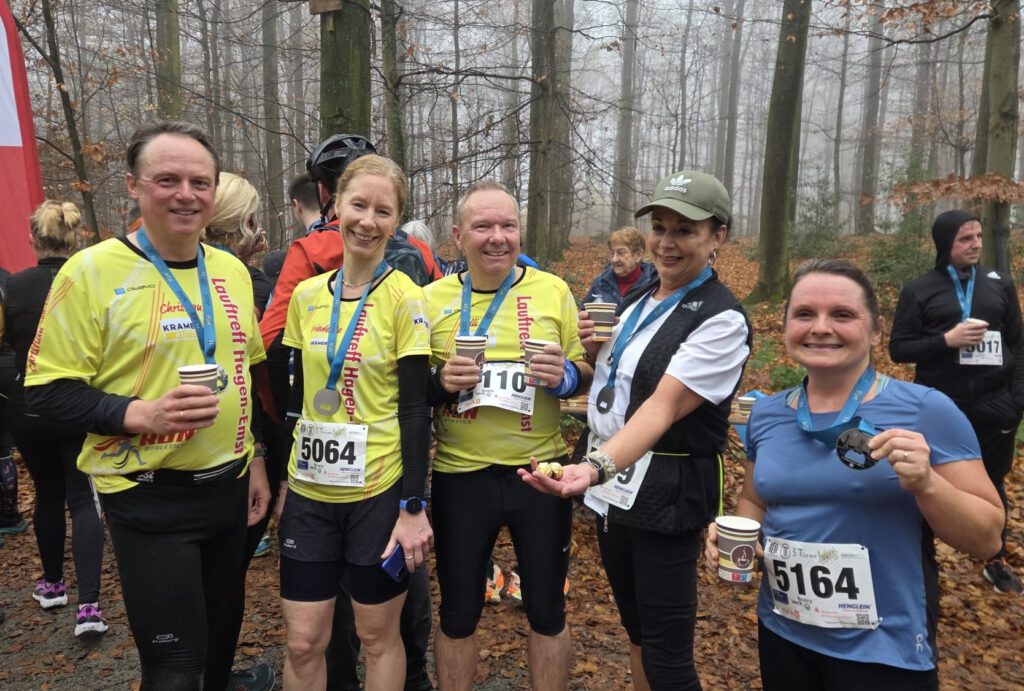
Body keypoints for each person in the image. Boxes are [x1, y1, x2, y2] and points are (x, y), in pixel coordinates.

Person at [24, 120, 271, 690]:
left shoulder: (232, 271)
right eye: (168, 180)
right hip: (149, 497)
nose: (186, 194)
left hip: (229, 490)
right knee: (175, 668)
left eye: (200, 182)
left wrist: (255, 456)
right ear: (134, 186)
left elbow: (243, 374)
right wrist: (139, 414)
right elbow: (46, 389)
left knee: (219, 651)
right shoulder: (90, 271)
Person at [705, 258, 1004, 690]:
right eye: (804, 314)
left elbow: (987, 538)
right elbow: (755, 499)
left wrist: (928, 485)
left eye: (842, 314)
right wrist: (741, 536)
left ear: (877, 330)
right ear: (786, 325)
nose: (820, 327)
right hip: (783, 631)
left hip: (885, 650)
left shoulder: (927, 410)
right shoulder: (767, 414)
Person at [521, 170, 751, 690]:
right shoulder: (638, 299)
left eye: (685, 231)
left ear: (718, 236)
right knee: (638, 632)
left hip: (666, 492)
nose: (666, 243)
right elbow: (612, 382)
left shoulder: (721, 319)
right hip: (615, 490)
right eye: (660, 227)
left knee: (668, 656)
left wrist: (592, 468)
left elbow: (661, 407)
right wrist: (573, 369)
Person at [426, 179, 593, 691]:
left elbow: (585, 370)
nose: (497, 237)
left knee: (547, 610)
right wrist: (439, 382)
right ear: (459, 236)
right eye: (483, 226)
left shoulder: (552, 290)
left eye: (508, 225)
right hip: (460, 474)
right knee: (458, 613)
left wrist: (566, 376)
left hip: (539, 473)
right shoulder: (429, 299)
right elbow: (409, 390)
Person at [275, 154, 433, 690]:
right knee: (303, 642)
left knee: (377, 637)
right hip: (309, 494)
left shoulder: (407, 297)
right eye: (358, 205)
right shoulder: (306, 295)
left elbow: (415, 408)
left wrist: (413, 506)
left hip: (377, 494)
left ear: (397, 220)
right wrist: (283, 479)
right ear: (336, 205)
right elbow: (296, 400)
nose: (368, 221)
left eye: (383, 211)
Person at [889, 210, 1024, 595]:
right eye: (966, 238)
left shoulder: (999, 284)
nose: (976, 244)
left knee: (992, 481)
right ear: (945, 242)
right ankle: (920, 556)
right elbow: (899, 349)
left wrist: (1017, 402)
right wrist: (946, 341)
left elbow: (1018, 345)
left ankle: (994, 559)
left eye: (979, 236)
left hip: (995, 404)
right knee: (922, 481)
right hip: (939, 407)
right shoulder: (920, 290)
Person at [4, 201, 108, 637]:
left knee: (48, 494)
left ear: (33, 239)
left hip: (29, 404)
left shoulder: (13, 286)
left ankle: (52, 585)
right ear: (75, 238)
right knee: (82, 496)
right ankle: (89, 606)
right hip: (78, 401)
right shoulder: (90, 279)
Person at [583, 226, 657, 306]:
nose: (614, 259)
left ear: (638, 255)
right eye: (612, 253)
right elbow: (585, 309)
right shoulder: (600, 283)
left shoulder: (654, 284)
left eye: (621, 253)